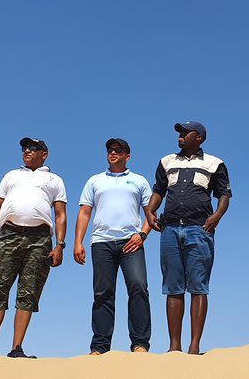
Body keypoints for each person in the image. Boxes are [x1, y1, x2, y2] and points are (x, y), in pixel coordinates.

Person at [0, 137, 67, 360]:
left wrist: (60, 245)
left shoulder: (54, 179)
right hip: (8, 236)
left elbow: (60, 215)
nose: (27, 151)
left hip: (40, 239)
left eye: (33, 148)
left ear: (44, 154)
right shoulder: (11, 176)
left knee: (28, 293)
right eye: (24, 148)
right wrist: (14, 215)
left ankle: (17, 348)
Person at [146, 121, 232, 354]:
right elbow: (159, 190)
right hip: (170, 229)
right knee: (172, 287)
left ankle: (194, 347)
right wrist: (150, 211)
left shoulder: (215, 163)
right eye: (180, 133)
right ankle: (174, 347)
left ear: (200, 137)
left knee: (198, 287)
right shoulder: (167, 161)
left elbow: (224, 194)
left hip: (199, 229)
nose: (181, 136)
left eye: (186, 133)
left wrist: (217, 216)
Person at [73, 138, 153, 355]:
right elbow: (85, 212)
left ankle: (140, 344)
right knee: (103, 293)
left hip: (132, 242)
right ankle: (99, 347)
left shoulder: (139, 181)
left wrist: (142, 235)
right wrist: (77, 242)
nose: (113, 153)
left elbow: (151, 214)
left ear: (128, 156)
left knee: (138, 287)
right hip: (101, 242)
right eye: (110, 150)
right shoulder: (95, 181)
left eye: (118, 150)